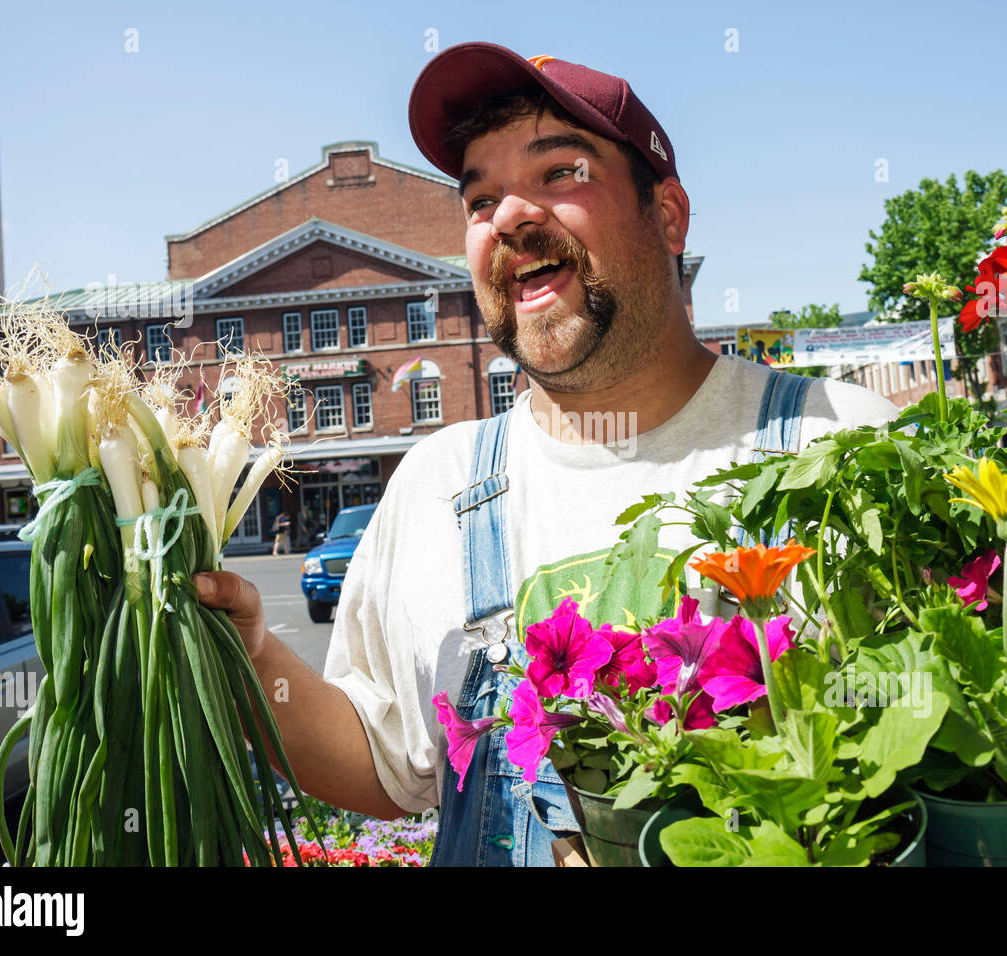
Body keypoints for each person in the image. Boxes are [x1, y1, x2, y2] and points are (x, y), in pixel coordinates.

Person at [193, 42, 899, 866]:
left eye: (561, 172)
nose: (510, 217)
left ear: (667, 214)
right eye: (481, 197)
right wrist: (248, 655)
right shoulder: (437, 485)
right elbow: (385, 763)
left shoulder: (844, 442)